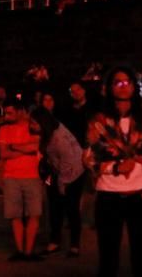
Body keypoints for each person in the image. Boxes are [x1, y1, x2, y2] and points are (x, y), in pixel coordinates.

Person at [84, 66, 142, 277]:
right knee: (108, 257)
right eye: (117, 82)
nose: (123, 86)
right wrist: (115, 167)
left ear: (133, 86)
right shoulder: (99, 120)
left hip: (140, 195)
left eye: (127, 82)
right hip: (109, 195)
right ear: (110, 88)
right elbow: (90, 157)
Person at [30, 106, 86, 258]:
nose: (31, 126)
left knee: (71, 208)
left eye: (34, 123)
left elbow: (67, 163)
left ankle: (74, 245)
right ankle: (54, 241)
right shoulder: (49, 132)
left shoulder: (58, 138)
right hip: (57, 171)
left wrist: (62, 186)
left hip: (74, 173)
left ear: (43, 122)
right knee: (54, 207)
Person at [0, 97, 44, 262]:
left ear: (20, 111)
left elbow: (37, 146)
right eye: (5, 112)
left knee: (34, 214)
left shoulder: (33, 126)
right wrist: (26, 149)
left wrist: (14, 147)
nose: (6, 116)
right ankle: (21, 251)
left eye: (10, 113)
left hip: (32, 175)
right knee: (15, 215)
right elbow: (3, 154)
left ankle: (28, 251)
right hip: (11, 176)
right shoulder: (3, 130)